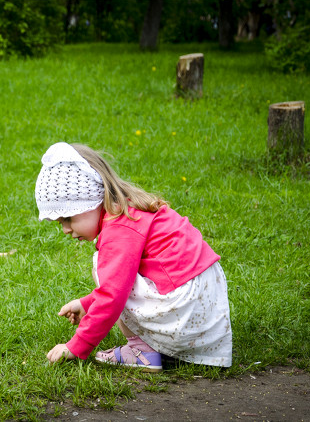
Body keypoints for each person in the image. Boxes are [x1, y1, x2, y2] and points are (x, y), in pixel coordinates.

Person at [35, 142, 232, 371]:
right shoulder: (128, 211)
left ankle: (142, 352)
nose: (66, 229)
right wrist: (87, 304)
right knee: (114, 274)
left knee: (101, 265)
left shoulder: (119, 230)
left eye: (67, 219)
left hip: (185, 307)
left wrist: (76, 346)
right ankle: (165, 347)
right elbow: (123, 281)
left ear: (91, 202)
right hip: (201, 305)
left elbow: (113, 294)